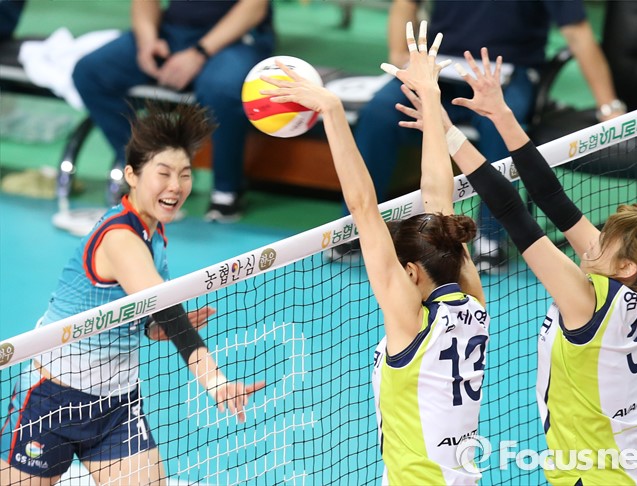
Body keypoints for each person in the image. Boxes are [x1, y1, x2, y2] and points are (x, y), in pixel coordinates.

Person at [396, 47, 637, 484]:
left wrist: (448, 132)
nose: (592, 238)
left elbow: (511, 211)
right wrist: (501, 114)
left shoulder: (586, 302)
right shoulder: (636, 282)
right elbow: (552, 196)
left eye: (604, 239)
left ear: (626, 267)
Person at [261, 22, 490, 484]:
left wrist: (331, 109)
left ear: (411, 272)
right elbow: (437, 197)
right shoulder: (473, 304)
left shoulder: (410, 321)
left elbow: (366, 205)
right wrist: (430, 97)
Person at [0, 102, 265, 484]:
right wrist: (214, 380)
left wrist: (151, 328)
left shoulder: (153, 234)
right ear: (132, 175)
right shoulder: (120, 238)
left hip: (117, 406)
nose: (176, 186)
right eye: (164, 173)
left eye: (185, 174)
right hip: (51, 402)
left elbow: (139, 311)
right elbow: (169, 311)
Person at [335, 0, 624, 274]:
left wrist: (608, 106)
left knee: (498, 125)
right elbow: (406, 3)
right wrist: (398, 53)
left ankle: (490, 237)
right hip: (439, 68)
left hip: (506, 73)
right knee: (378, 114)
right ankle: (357, 226)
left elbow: (577, 33)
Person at [72, 0, 274, 222]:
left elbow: (254, 7)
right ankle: (149, 172)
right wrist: (147, 41)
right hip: (173, 31)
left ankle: (227, 190)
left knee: (222, 89)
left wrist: (199, 54)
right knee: (89, 73)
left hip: (235, 37)